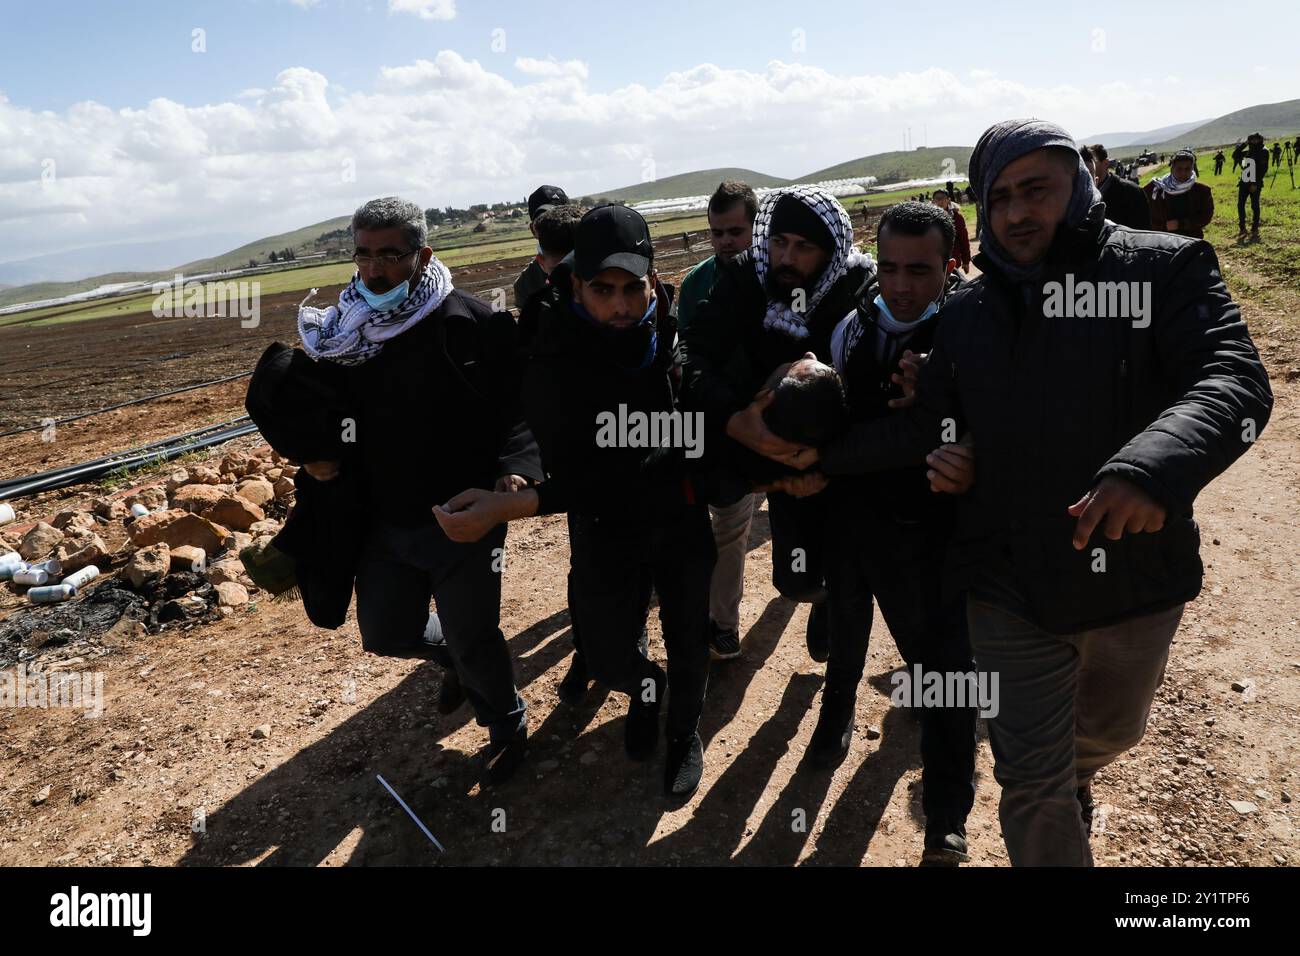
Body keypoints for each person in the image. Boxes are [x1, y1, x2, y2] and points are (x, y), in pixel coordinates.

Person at [812, 119, 1272, 865]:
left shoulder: (1162, 271)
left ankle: (1079, 770)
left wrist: (1150, 466)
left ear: (1080, 189)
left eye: (1038, 191)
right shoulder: (967, 312)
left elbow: (1234, 379)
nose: (1019, 212)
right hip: (1006, 586)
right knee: (1030, 783)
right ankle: (1058, 786)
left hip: (1133, 577)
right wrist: (815, 458)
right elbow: (927, 423)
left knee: (1111, 734)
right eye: (1000, 197)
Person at [434, 205, 717, 798]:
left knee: (690, 638)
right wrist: (510, 495)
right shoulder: (552, 360)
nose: (619, 305)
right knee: (611, 652)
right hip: (605, 526)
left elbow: (699, 432)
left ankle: (683, 734)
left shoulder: (675, 338)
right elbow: (591, 472)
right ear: (574, 285)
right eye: (602, 289)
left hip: (678, 519)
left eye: (631, 289)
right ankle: (646, 690)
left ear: (653, 282)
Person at [275, 196, 544, 785]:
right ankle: (450, 656)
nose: (373, 270)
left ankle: (507, 724)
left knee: (475, 635)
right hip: (379, 523)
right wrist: (314, 459)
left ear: (423, 255)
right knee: (388, 633)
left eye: (390, 256)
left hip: (461, 520)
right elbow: (319, 421)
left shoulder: (473, 324)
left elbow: (519, 412)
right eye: (364, 255)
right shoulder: (342, 336)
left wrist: (516, 469)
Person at [802, 201, 980, 865]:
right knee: (846, 635)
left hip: (932, 535)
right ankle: (836, 717)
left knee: (945, 677)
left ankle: (945, 818)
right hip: (851, 523)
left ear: (950, 266)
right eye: (890, 268)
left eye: (920, 270)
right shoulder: (848, 329)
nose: (902, 285)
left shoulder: (972, 332)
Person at [679, 185, 875, 665]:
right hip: (766, 455)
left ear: (830, 251)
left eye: (803, 247)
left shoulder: (857, 291)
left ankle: (838, 690)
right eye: (779, 241)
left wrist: (825, 462)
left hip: (840, 462)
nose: (786, 257)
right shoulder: (748, 278)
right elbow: (692, 356)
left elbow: (875, 395)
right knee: (794, 579)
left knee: (845, 570)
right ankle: (818, 596)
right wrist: (735, 420)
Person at [678, 181, 760, 661]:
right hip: (716, 428)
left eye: (735, 231)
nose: (726, 242)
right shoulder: (696, 284)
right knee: (727, 528)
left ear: (755, 226)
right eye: (716, 233)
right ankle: (722, 625)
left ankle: (817, 591)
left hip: (771, 425)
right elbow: (686, 354)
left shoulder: (777, 277)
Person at [514, 185, 570, 309]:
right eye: (544, 222)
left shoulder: (592, 262)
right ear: (533, 229)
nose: (554, 226)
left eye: (561, 219)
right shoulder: (526, 283)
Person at [1143, 150, 1214, 239]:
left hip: (1192, 239)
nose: (1183, 173)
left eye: (1187, 169)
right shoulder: (1155, 189)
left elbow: (1206, 216)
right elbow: (1145, 216)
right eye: (1179, 169)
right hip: (1163, 240)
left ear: (1193, 169)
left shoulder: (1202, 191)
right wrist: (1164, 226)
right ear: (1172, 169)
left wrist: (1181, 224)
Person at [1089, 143, 1151, 230]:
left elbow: (1143, 231)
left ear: (1106, 163)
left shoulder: (1132, 192)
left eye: (1092, 161)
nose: (1087, 166)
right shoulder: (1081, 194)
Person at [1233, 133, 1269, 239]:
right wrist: (1244, 144)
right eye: (1251, 140)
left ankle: (1255, 228)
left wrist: (1255, 183)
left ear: (1260, 140)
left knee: (1254, 205)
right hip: (1244, 180)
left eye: (1256, 140)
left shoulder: (1264, 151)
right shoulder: (1249, 150)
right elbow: (1235, 154)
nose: (1254, 142)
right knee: (1240, 204)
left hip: (1254, 182)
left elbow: (1263, 169)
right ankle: (1242, 227)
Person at [931, 188, 971, 269]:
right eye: (937, 198)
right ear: (933, 201)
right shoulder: (928, 218)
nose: (940, 201)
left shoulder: (956, 217)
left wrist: (966, 261)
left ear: (949, 200)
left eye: (943, 198)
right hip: (933, 261)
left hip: (953, 260)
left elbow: (964, 239)